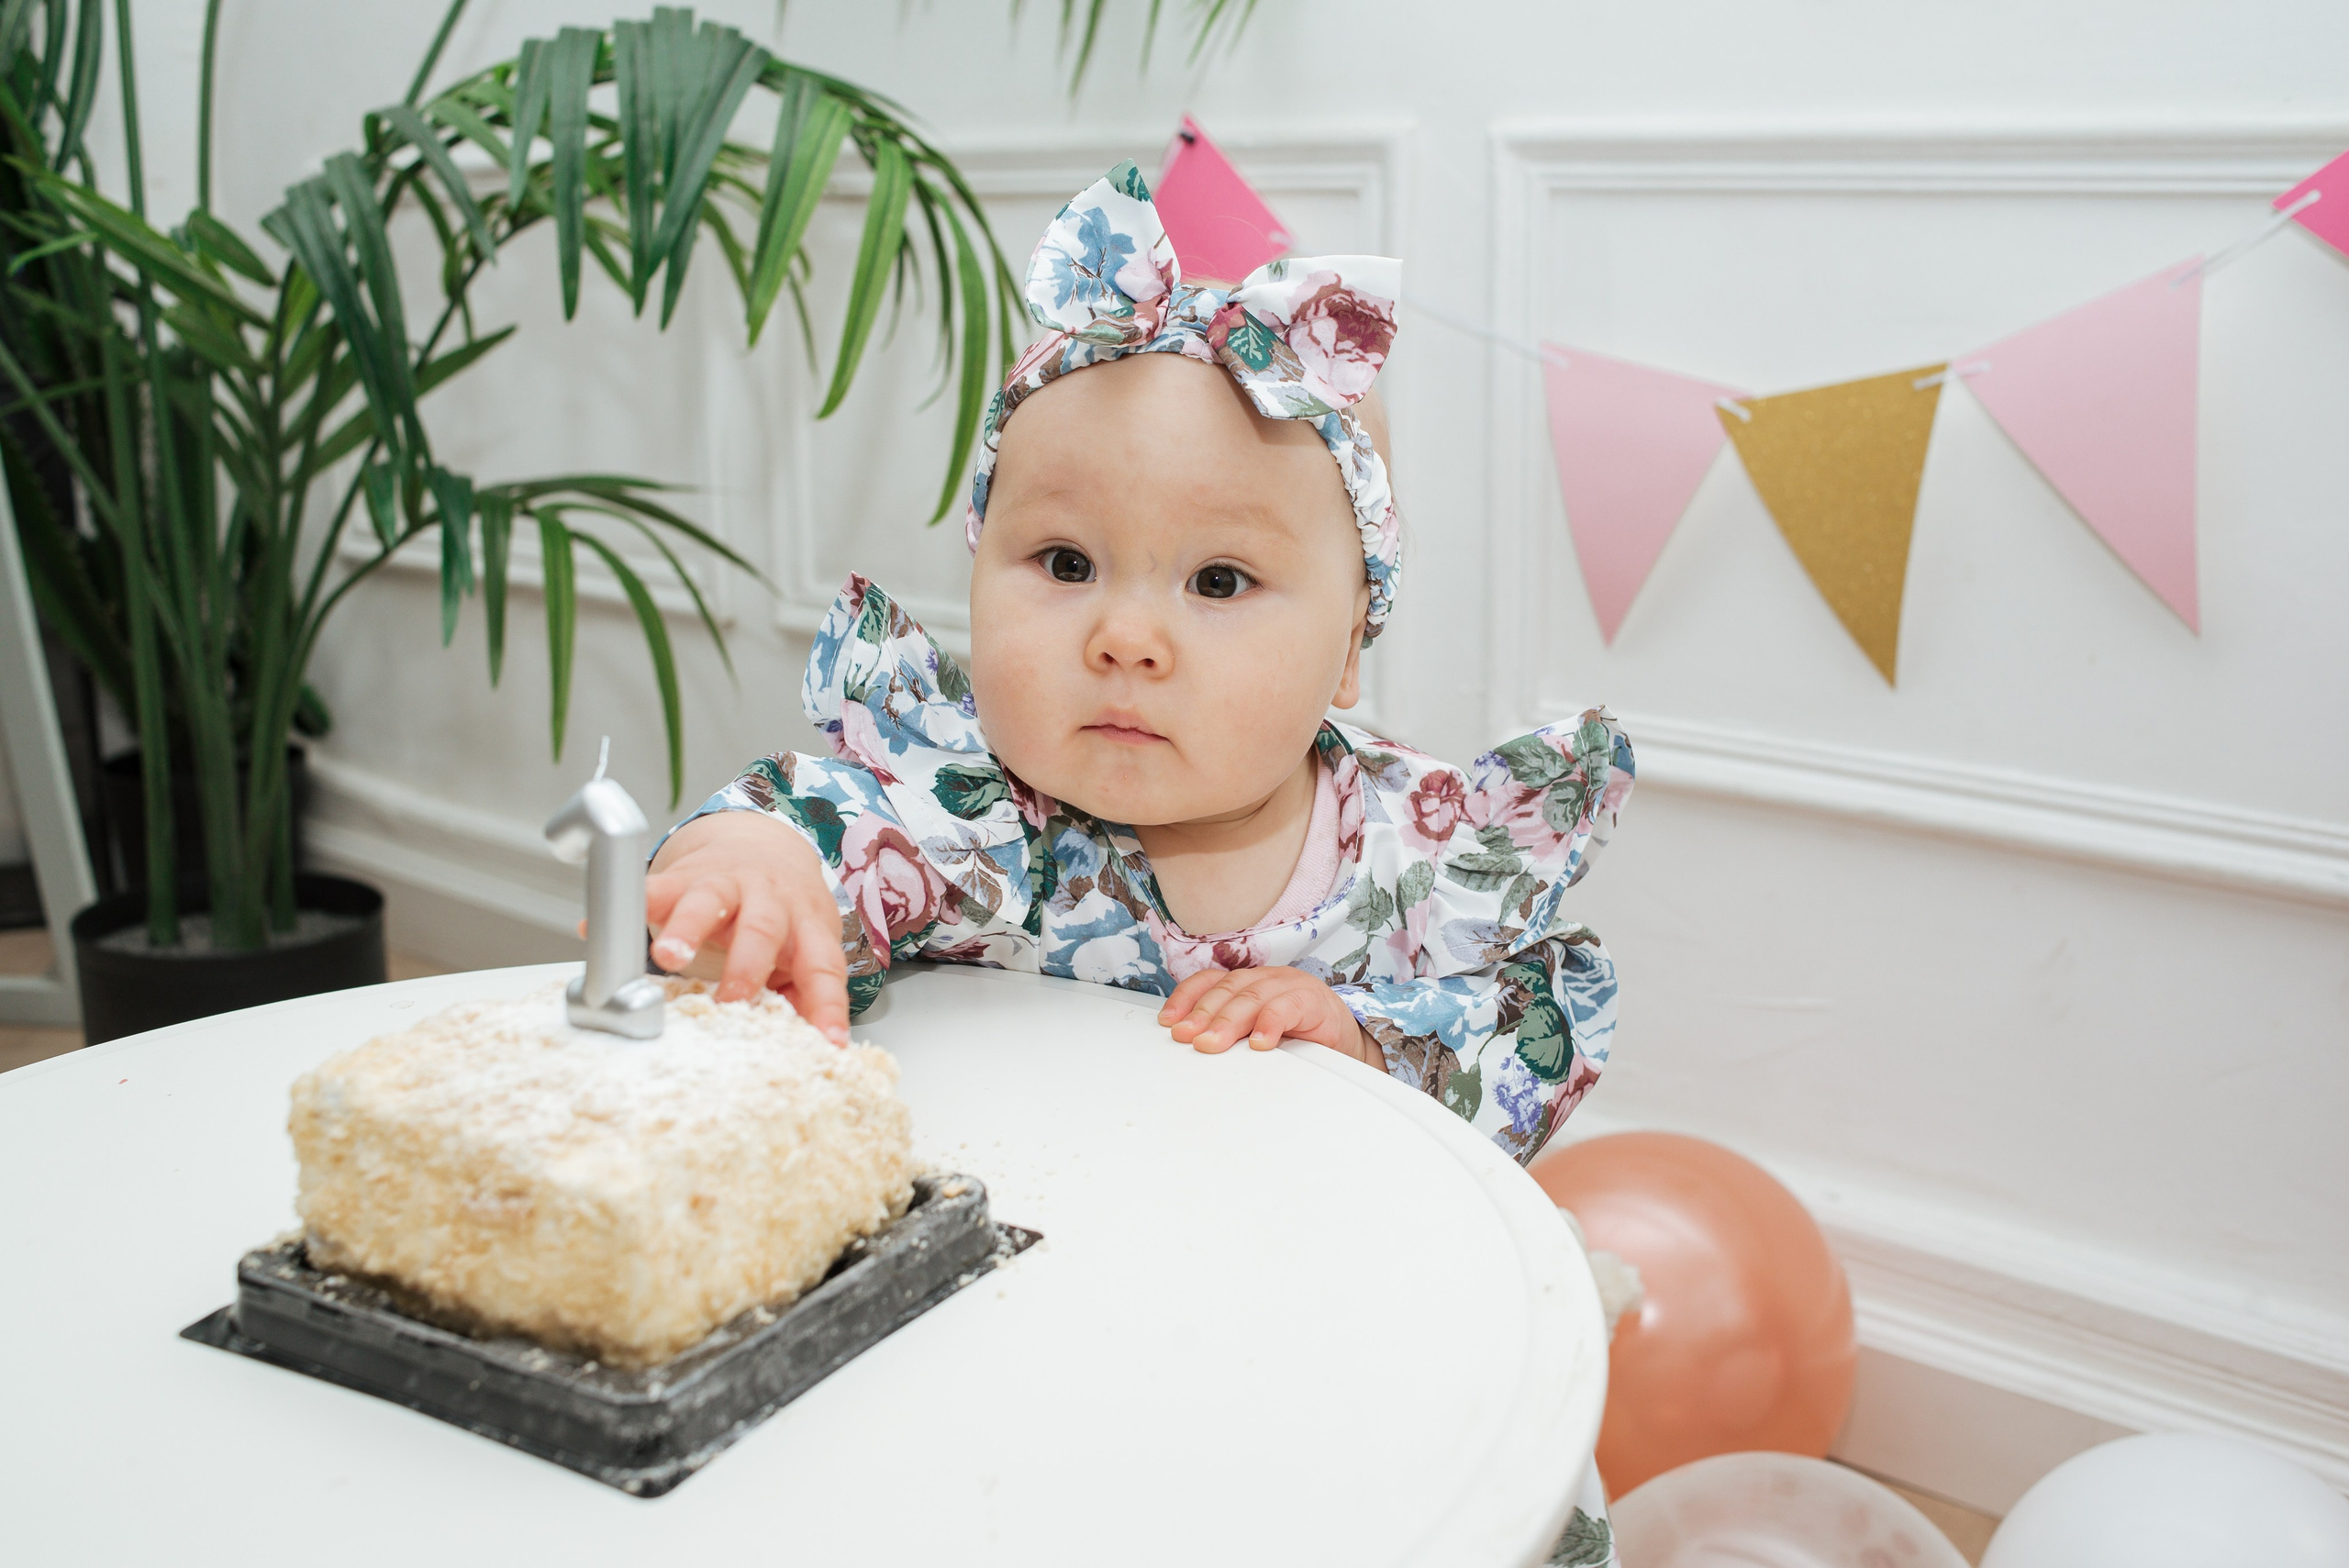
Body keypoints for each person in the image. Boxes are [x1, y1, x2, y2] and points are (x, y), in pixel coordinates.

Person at [647, 162, 1634, 1165]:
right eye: (1066, 562)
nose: (1124, 636)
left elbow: (1537, 1026)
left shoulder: (1416, 854)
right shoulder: (979, 818)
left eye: (1217, 581)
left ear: (1347, 648)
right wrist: (753, 865)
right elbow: (826, 828)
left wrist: (1366, 1042)